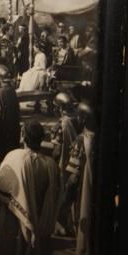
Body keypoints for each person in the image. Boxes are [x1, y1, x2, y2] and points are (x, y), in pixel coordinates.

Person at [0, 121, 62, 255]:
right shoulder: (51, 165)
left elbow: (1, 186)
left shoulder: (14, 156)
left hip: (15, 224)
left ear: (23, 136)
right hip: (40, 224)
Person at [67, 103, 96, 255]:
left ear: (83, 119)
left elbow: (73, 179)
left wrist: (65, 201)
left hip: (83, 195)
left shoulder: (80, 141)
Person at [51, 92, 80, 236]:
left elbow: (57, 151)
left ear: (61, 108)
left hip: (64, 164)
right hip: (78, 163)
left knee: (63, 195)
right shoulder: (79, 119)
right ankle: (73, 226)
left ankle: (62, 226)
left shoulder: (61, 124)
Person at [0, 66, 21, 160]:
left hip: (4, 131)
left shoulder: (0, 93)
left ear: (0, 79)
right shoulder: (12, 90)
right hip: (14, 129)